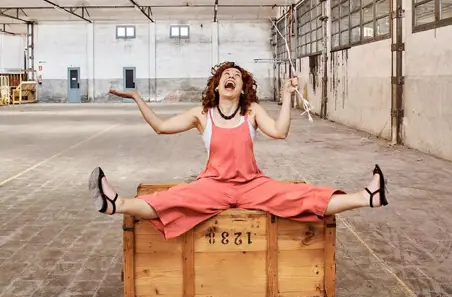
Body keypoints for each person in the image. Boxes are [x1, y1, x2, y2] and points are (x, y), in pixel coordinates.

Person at [89, 62, 387, 239]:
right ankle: (117, 204)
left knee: (302, 195)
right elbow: (160, 126)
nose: (231, 77)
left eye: (238, 76)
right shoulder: (201, 114)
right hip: (213, 185)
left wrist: (286, 96)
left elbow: (280, 132)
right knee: (170, 199)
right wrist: (137, 97)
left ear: (242, 88)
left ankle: (367, 197)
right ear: (217, 86)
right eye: (226, 75)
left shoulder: (252, 111)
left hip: (251, 185)